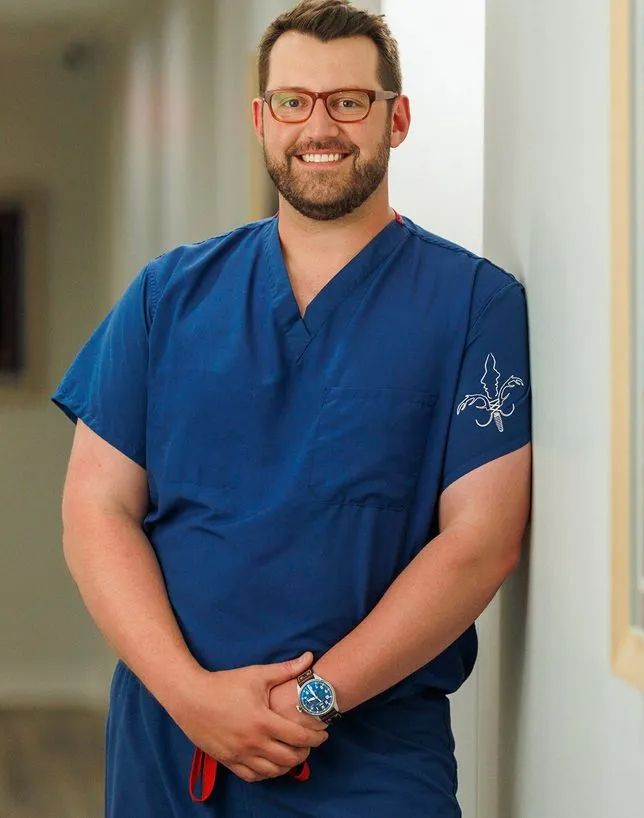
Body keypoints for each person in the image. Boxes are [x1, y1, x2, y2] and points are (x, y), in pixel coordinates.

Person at [51, 0, 532, 815]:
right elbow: (95, 510)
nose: (321, 125)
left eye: (350, 101)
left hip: (369, 754)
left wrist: (310, 703)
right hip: (170, 745)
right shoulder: (167, 297)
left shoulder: (473, 305)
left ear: (397, 117)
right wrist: (195, 698)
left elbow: (480, 544)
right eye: (294, 101)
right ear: (262, 119)